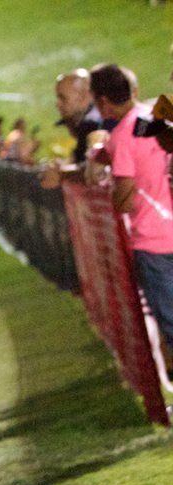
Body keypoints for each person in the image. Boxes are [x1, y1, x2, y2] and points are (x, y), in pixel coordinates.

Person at [91, 63, 173, 350]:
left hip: (155, 244)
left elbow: (125, 200)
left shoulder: (123, 137)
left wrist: (112, 189)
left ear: (103, 101)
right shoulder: (156, 112)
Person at [40, 68, 115, 189]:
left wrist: (61, 173)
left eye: (62, 98)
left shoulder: (93, 123)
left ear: (84, 96)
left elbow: (94, 169)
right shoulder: (98, 116)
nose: (57, 104)